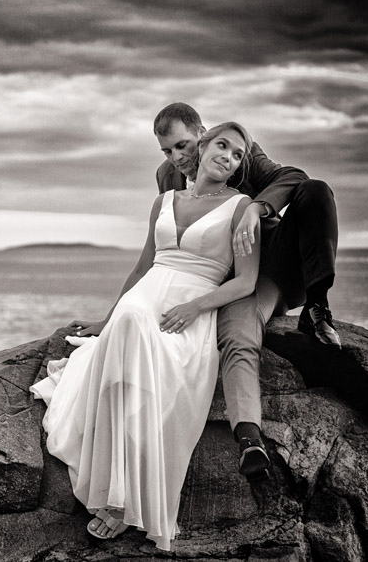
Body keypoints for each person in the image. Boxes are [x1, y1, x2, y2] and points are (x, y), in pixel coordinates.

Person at [31, 122, 260, 551]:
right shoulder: (165, 200)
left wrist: (196, 306)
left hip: (192, 307)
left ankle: (121, 500)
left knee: (144, 347)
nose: (228, 156)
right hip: (147, 295)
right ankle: (116, 491)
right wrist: (106, 318)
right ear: (204, 145)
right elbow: (142, 267)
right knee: (132, 319)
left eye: (237, 154)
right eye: (223, 146)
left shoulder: (242, 208)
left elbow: (246, 282)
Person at [150, 102, 340, 480]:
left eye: (184, 145)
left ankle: (317, 307)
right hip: (229, 278)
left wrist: (256, 208)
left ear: (202, 135)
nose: (178, 157)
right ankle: (250, 441)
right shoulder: (167, 178)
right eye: (168, 150)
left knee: (315, 190)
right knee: (237, 337)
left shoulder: (240, 152)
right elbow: (171, 244)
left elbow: (294, 177)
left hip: (272, 264)